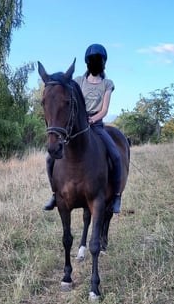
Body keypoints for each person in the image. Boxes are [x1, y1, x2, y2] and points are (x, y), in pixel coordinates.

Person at [43, 43, 124, 213]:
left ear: (103, 62)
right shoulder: (79, 80)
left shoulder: (107, 83)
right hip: (78, 126)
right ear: (87, 62)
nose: (95, 63)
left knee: (115, 155)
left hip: (97, 125)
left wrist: (93, 119)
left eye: (98, 60)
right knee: (50, 159)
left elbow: (105, 110)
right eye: (92, 60)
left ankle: (116, 196)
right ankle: (54, 194)